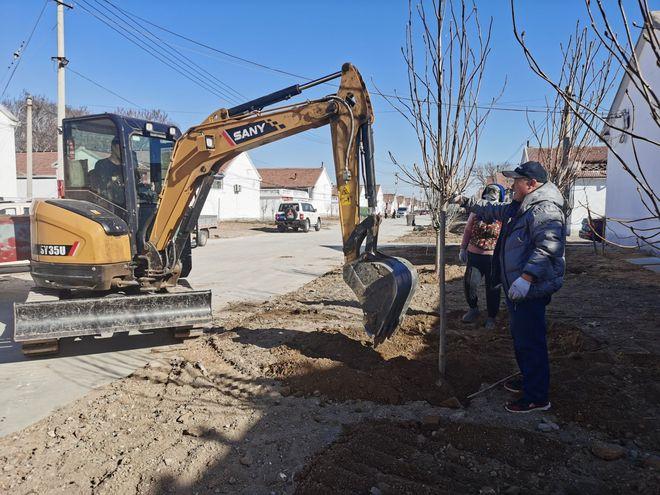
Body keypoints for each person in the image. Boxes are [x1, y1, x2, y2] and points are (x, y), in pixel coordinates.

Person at [452, 161, 566, 413]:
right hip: (518, 287)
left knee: (530, 340)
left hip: (530, 288)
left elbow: (548, 247)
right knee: (521, 338)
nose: (512, 185)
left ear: (531, 184)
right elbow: (492, 210)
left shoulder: (544, 210)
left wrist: (527, 278)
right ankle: (528, 378)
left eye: (516, 181)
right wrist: (464, 201)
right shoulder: (521, 206)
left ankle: (536, 397)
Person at [459, 184, 506, 330]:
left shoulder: (503, 214)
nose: (489, 201)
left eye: (493, 198)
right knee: (470, 284)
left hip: (493, 258)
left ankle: (491, 316)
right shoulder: (475, 213)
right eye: (487, 197)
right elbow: (467, 230)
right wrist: (463, 248)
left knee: (492, 288)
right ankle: (473, 309)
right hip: (474, 255)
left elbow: (506, 236)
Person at [90, 136, 125, 205]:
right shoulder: (102, 165)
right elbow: (99, 187)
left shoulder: (126, 167)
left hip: (125, 205)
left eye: (124, 147)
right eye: (120, 146)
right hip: (108, 205)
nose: (122, 150)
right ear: (113, 147)